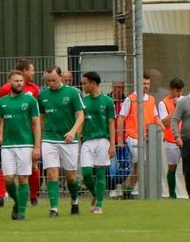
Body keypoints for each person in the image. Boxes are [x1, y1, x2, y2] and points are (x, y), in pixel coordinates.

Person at [0, 59, 41, 207]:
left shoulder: (33, 92)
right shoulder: (5, 93)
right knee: (8, 174)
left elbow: (37, 119)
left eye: (21, 81)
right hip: (9, 139)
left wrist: (37, 144)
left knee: (31, 169)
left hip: (27, 137)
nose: (33, 72)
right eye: (31, 70)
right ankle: (2, 195)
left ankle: (32, 197)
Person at [39, 66, 86, 217]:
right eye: (48, 81)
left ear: (60, 77)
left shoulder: (73, 93)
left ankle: (74, 201)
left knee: (70, 176)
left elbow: (80, 115)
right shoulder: (43, 95)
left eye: (53, 80)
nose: (51, 83)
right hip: (49, 138)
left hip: (68, 140)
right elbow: (41, 117)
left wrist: (73, 132)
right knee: (52, 173)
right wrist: (40, 135)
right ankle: (54, 208)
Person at [116, 73, 161, 199]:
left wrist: (162, 127)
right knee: (142, 163)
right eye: (144, 84)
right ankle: (137, 191)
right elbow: (121, 118)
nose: (146, 86)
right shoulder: (130, 99)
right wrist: (120, 139)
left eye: (148, 84)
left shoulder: (151, 99)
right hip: (132, 135)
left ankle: (127, 190)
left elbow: (155, 116)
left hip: (147, 137)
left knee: (138, 166)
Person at [79, 71, 116, 213]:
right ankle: (96, 194)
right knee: (87, 173)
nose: (83, 86)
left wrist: (112, 144)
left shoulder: (107, 101)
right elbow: (80, 121)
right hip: (87, 140)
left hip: (102, 140)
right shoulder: (84, 102)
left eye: (85, 83)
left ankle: (99, 205)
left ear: (93, 83)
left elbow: (111, 123)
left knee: (100, 172)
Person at [158, 78, 185, 198]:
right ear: (171, 90)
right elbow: (164, 122)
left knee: (189, 166)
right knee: (172, 166)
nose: (179, 94)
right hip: (171, 139)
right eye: (177, 91)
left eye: (181, 91)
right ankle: (172, 193)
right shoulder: (163, 103)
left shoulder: (185, 101)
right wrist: (176, 108)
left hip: (186, 137)